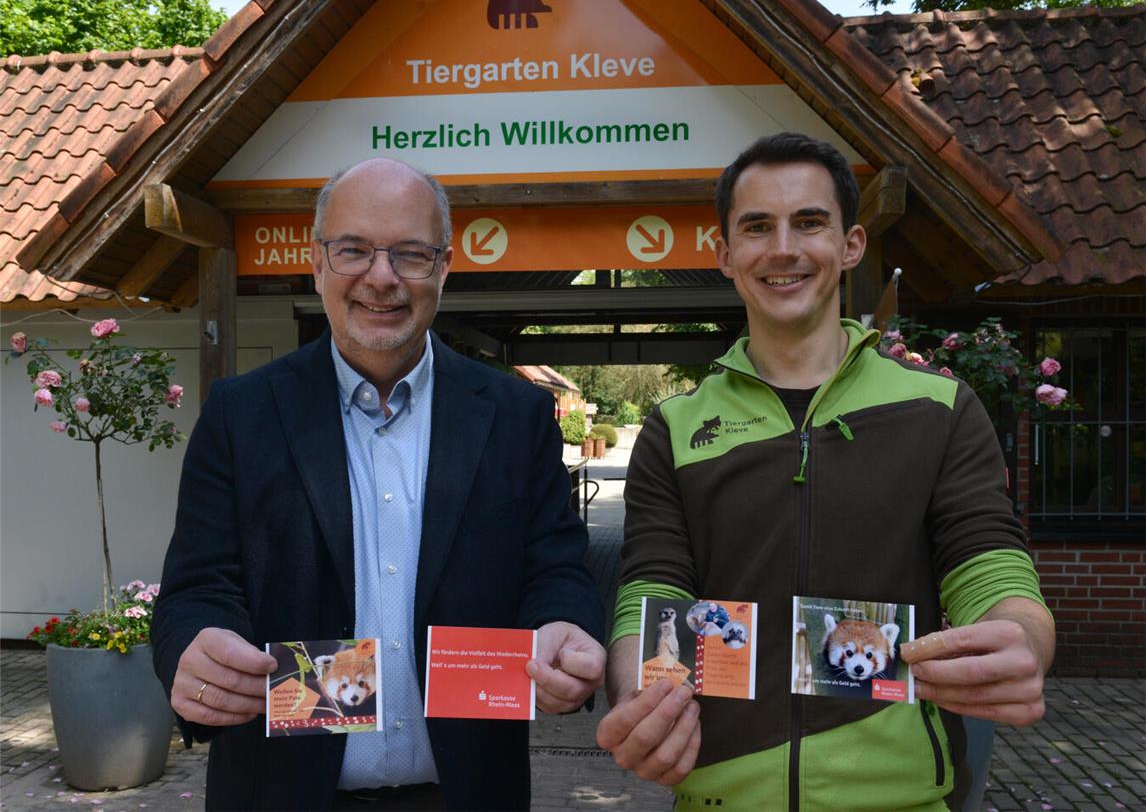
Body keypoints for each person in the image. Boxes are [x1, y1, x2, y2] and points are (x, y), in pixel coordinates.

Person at [596, 133, 1054, 810]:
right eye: (757, 227)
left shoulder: (940, 410)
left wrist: (1023, 641)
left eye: (809, 222)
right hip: (721, 794)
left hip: (904, 797)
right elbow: (652, 590)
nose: (784, 248)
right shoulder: (675, 427)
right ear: (724, 254)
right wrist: (634, 688)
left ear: (851, 245)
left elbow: (991, 568)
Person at [152, 159, 606, 811]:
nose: (382, 276)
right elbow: (196, 589)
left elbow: (556, 567)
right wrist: (195, 646)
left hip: (468, 791)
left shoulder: (515, 417)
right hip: (282, 791)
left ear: (444, 268)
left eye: (411, 254)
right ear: (317, 262)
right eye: (354, 250)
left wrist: (565, 622)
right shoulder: (240, 414)